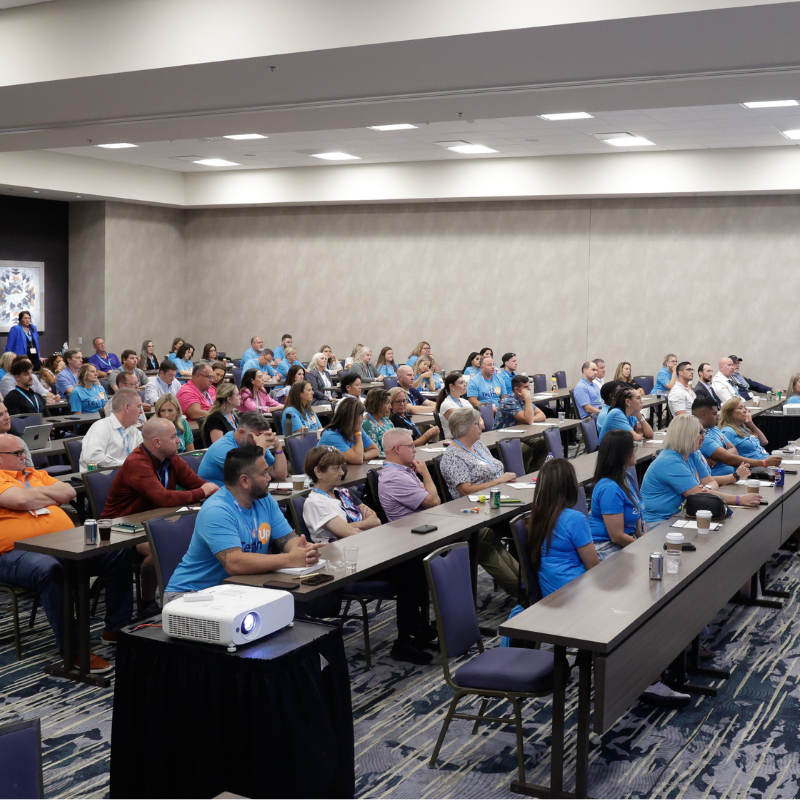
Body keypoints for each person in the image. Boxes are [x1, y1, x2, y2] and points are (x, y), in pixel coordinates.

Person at [0, 433, 132, 673]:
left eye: (23, 451)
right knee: (50, 570)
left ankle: (115, 629)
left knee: (117, 552)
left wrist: (37, 498)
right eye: (16, 454)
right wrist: (50, 498)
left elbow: (69, 493)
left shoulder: (35, 474)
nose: (24, 456)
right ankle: (75, 652)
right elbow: (19, 500)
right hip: (13, 554)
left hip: (62, 544)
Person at [303, 444, 435, 664]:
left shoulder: (343, 493)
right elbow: (349, 533)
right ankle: (404, 641)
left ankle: (416, 627)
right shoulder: (315, 502)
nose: (341, 472)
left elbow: (376, 521)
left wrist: (363, 524)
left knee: (416, 562)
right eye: (335, 468)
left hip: (365, 552)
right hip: (342, 564)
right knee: (407, 570)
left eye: (341, 467)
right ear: (318, 472)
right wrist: (366, 523)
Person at [165, 445, 323, 600]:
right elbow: (234, 563)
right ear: (245, 481)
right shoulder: (217, 510)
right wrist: (289, 559)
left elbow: (287, 539)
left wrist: (303, 551)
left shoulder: (264, 499)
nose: (269, 478)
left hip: (234, 589)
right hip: (191, 595)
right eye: (264, 473)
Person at [101, 418, 218, 612]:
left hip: (152, 523)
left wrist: (215, 492)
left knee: (187, 540)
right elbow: (163, 498)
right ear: (157, 442)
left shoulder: (171, 458)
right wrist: (202, 492)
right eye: (173, 437)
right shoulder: (137, 462)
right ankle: (148, 603)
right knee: (166, 546)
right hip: (121, 529)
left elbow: (197, 483)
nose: (179, 441)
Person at [440, 406, 520, 597]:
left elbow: (495, 470)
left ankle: (525, 581)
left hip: (498, 500)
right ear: (466, 427)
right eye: (478, 423)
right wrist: (499, 481)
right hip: (475, 511)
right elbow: (465, 490)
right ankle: (522, 588)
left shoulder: (478, 446)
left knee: (521, 525)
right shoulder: (452, 456)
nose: (482, 426)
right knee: (513, 529)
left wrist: (503, 481)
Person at [641, 414, 761, 529]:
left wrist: (706, 489)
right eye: (699, 433)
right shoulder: (670, 461)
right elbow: (698, 495)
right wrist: (740, 499)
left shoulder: (693, 453)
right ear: (685, 435)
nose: (703, 436)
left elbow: (710, 482)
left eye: (703, 432)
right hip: (658, 522)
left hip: (679, 515)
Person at [527, 457, 598, 596]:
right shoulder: (575, 519)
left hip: (552, 592)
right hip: (576, 593)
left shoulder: (535, 517)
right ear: (570, 486)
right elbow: (593, 566)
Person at [589, 430, 644, 560]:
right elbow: (616, 536)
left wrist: (644, 539)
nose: (635, 451)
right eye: (633, 447)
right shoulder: (610, 488)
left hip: (625, 542)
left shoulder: (627, 477)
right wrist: (643, 547)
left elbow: (639, 518)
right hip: (606, 546)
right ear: (622, 454)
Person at [691, 397, 777, 479]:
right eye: (714, 414)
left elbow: (734, 450)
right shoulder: (702, 436)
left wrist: (721, 456)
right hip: (723, 481)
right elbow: (729, 459)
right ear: (703, 415)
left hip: (735, 476)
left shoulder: (714, 428)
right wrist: (763, 463)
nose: (717, 416)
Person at [197, 411, 288, 486]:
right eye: (256, 436)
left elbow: (280, 475)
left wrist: (277, 446)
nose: (260, 440)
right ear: (241, 432)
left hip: (239, 496)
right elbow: (250, 476)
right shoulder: (223, 448)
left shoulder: (256, 443)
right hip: (215, 498)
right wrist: (260, 449)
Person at [377, 427, 441, 520]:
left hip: (425, 522)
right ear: (398, 449)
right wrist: (425, 473)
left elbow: (436, 500)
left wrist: (430, 495)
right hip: (414, 529)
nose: (414, 450)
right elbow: (434, 502)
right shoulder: (395, 478)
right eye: (411, 446)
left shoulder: (402, 470)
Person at [79, 388, 144, 472]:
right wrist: (125, 463)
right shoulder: (101, 427)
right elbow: (92, 457)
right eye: (138, 406)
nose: (141, 411)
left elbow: (146, 451)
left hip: (126, 478)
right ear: (127, 407)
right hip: (102, 480)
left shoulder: (133, 430)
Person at [494, 375, 547, 471]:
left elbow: (542, 415)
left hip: (521, 433)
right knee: (525, 450)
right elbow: (528, 420)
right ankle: (521, 475)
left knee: (545, 444)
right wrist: (528, 399)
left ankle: (532, 472)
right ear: (517, 389)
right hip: (505, 436)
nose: (529, 389)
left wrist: (529, 418)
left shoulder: (523, 400)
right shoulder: (508, 401)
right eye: (526, 387)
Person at [319, 397, 380, 464]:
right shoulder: (331, 436)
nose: (362, 418)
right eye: (360, 415)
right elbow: (357, 460)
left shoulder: (356, 429)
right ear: (351, 417)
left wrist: (362, 456)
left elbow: (375, 450)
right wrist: (357, 434)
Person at [200, 382, 241, 448]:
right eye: (237, 395)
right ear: (229, 399)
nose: (240, 397)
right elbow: (219, 447)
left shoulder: (234, 414)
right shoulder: (214, 419)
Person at [435, 373, 471, 439]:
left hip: (467, 438)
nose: (465, 384)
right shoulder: (447, 404)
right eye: (461, 383)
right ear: (451, 386)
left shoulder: (465, 401)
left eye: (464, 382)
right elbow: (462, 424)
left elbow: (479, 419)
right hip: (454, 440)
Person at [362, 388, 394, 455]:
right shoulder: (367, 425)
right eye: (387, 403)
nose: (390, 407)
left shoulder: (385, 419)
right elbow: (377, 452)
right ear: (377, 404)